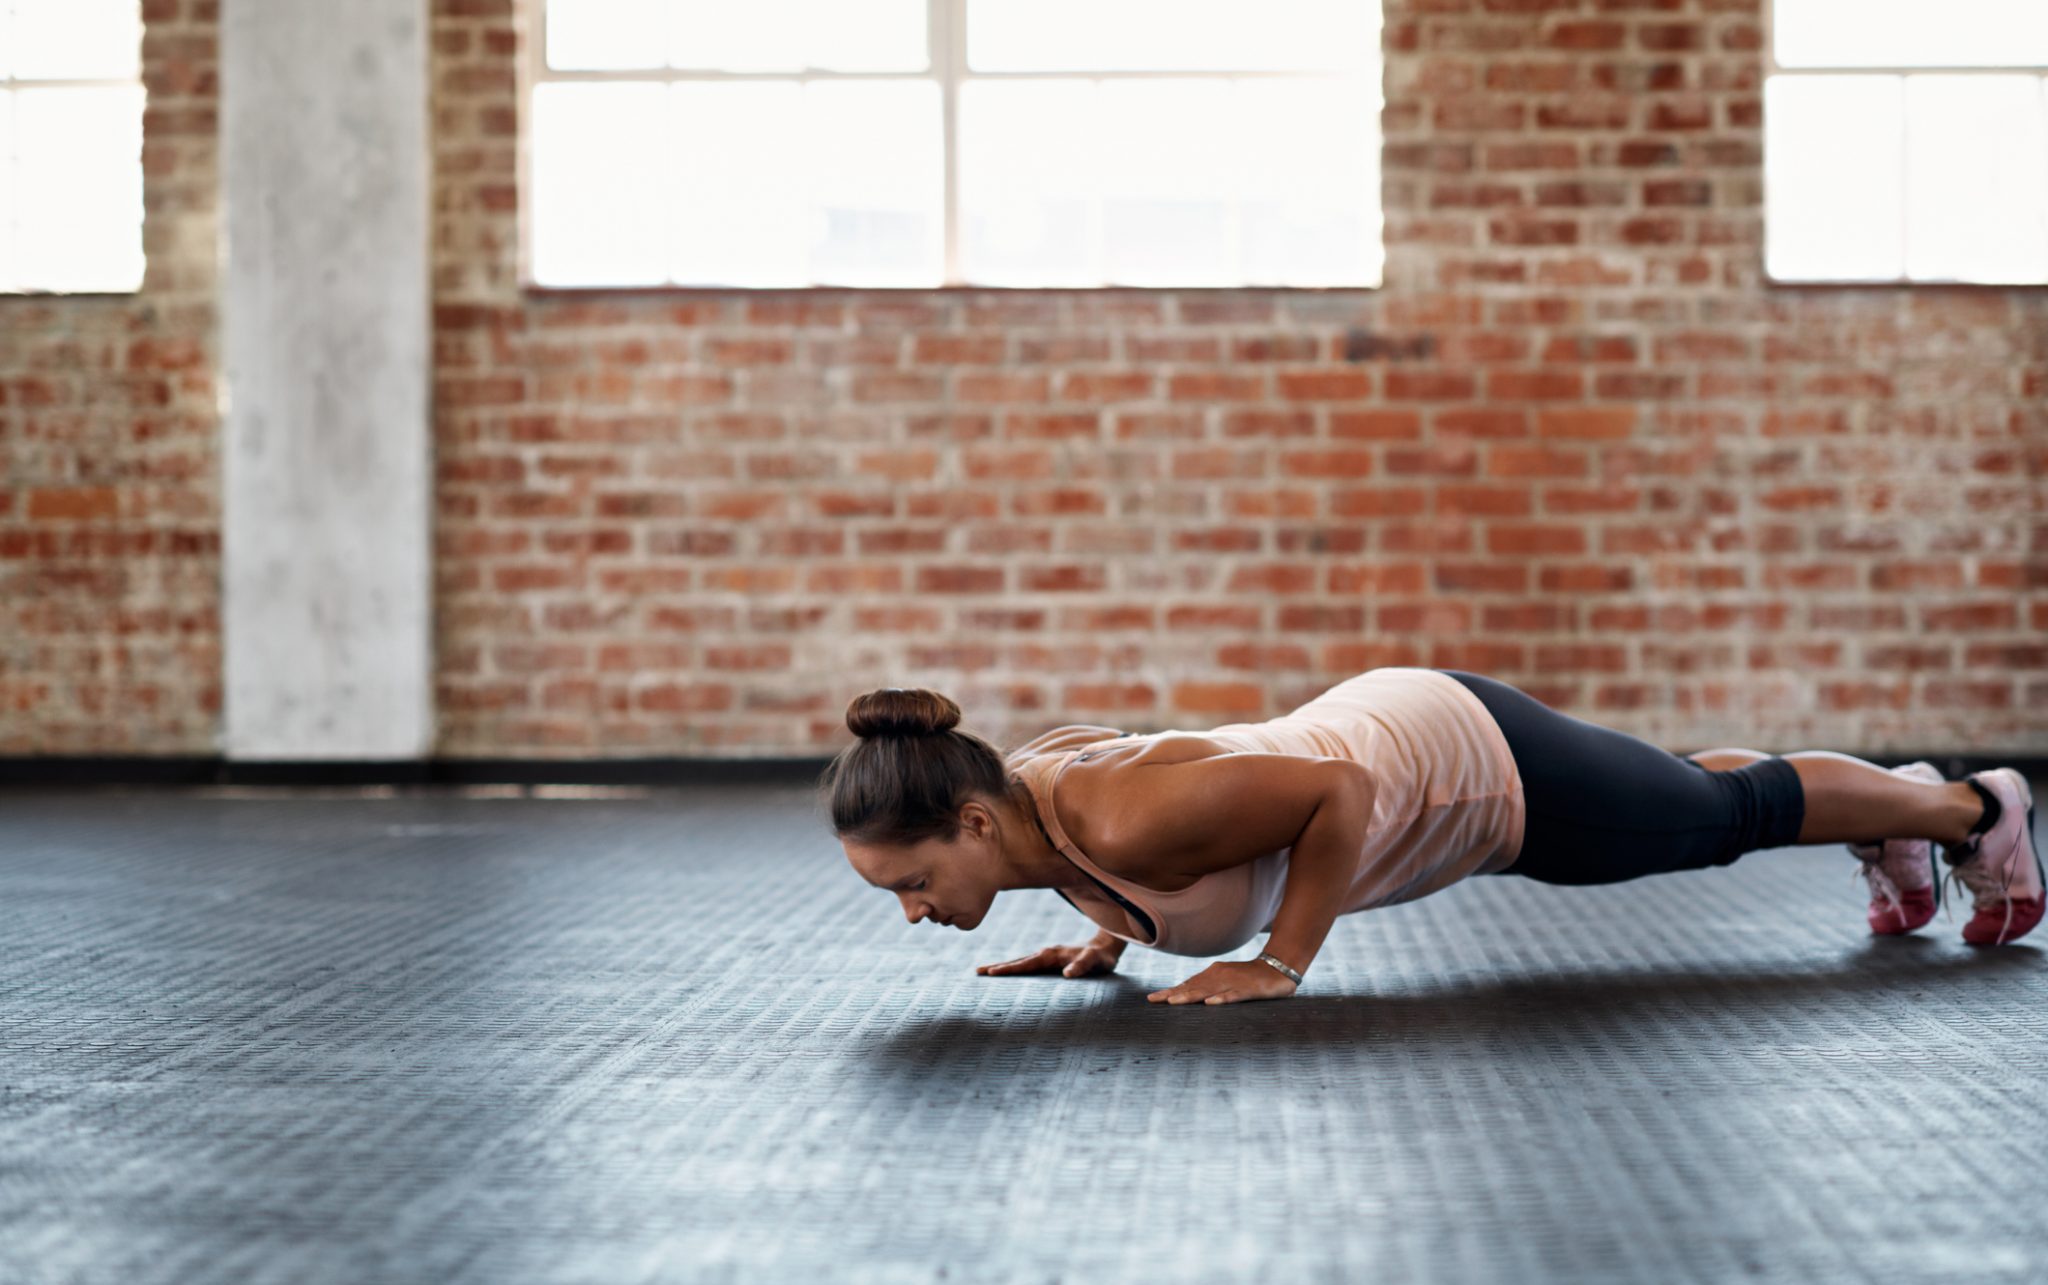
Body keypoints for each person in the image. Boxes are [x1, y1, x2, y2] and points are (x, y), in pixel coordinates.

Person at [822, 667, 2042, 1007]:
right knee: (1678, 795)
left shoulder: (1114, 818)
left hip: (1461, 773)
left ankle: (1969, 809)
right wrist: (1109, 940)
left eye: (914, 879)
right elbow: (1173, 776)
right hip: (1411, 724)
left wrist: (1276, 960)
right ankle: (1898, 802)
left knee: (1714, 819)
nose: (914, 909)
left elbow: (1334, 795)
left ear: (972, 820)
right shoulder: (1029, 798)